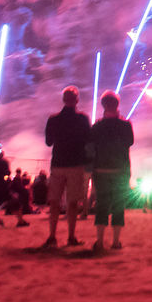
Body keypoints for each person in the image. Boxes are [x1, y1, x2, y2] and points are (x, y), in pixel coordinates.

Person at [40, 85, 91, 249]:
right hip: (76, 164)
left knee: (54, 202)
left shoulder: (53, 119)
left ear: (63, 100)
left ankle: (52, 236)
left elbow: (48, 142)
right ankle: (71, 237)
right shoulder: (82, 119)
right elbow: (88, 141)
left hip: (58, 164)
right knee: (72, 202)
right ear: (77, 100)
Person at [88, 91, 134, 252]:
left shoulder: (97, 126)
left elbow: (90, 146)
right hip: (120, 170)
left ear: (103, 105)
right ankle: (115, 241)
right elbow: (130, 142)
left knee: (101, 205)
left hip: (101, 170)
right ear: (117, 105)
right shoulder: (126, 124)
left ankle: (99, 241)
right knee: (118, 206)